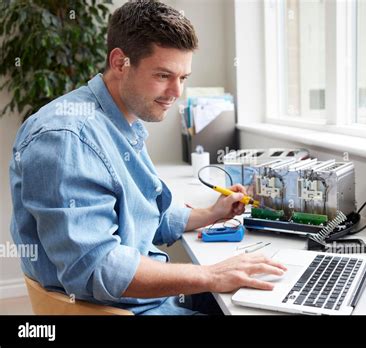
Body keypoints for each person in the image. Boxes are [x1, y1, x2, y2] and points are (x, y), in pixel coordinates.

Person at [9, 1, 287, 315]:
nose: (176, 91)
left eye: (183, 78)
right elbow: (97, 268)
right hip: (124, 310)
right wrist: (210, 275)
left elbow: (139, 215)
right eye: (163, 75)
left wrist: (212, 213)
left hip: (141, 301)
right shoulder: (66, 138)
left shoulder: (121, 120)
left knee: (272, 292)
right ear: (120, 62)